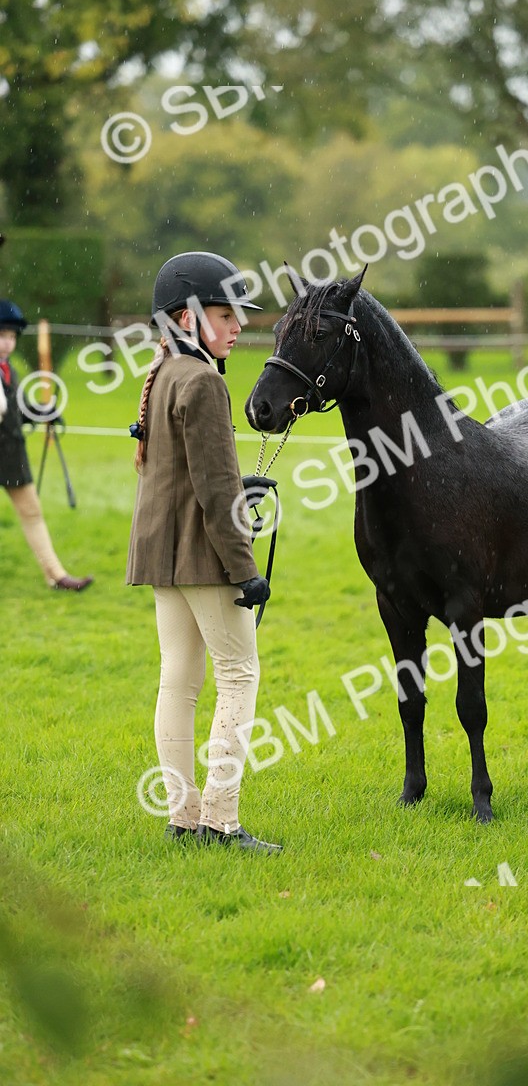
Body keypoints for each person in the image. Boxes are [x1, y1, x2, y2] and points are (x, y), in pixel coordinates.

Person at [127, 251, 281, 854]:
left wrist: (239, 487)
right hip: (205, 557)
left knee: (180, 681)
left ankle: (182, 817)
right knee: (240, 674)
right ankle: (221, 820)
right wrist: (247, 571)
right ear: (186, 319)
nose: (239, 326)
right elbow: (217, 497)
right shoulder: (204, 381)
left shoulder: (163, 374)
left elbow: (188, 476)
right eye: (226, 314)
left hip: (162, 555)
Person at [0, 300, 94, 591]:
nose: (7, 343)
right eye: (2, 335)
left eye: (12, 337)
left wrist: (43, 411)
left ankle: (56, 575)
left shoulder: (8, 371)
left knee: (32, 512)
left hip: (9, 453)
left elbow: (16, 409)